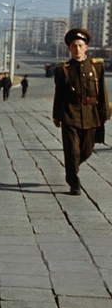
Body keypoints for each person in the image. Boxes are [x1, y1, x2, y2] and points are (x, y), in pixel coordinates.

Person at [52, 28, 110, 196]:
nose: (77, 49)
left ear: (86, 47)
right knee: (71, 150)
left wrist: (104, 113)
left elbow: (102, 92)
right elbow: (60, 95)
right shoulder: (63, 70)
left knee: (87, 150)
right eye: (73, 46)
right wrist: (57, 115)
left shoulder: (97, 67)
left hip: (92, 114)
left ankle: (72, 167)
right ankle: (74, 182)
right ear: (69, 49)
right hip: (70, 113)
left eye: (79, 45)